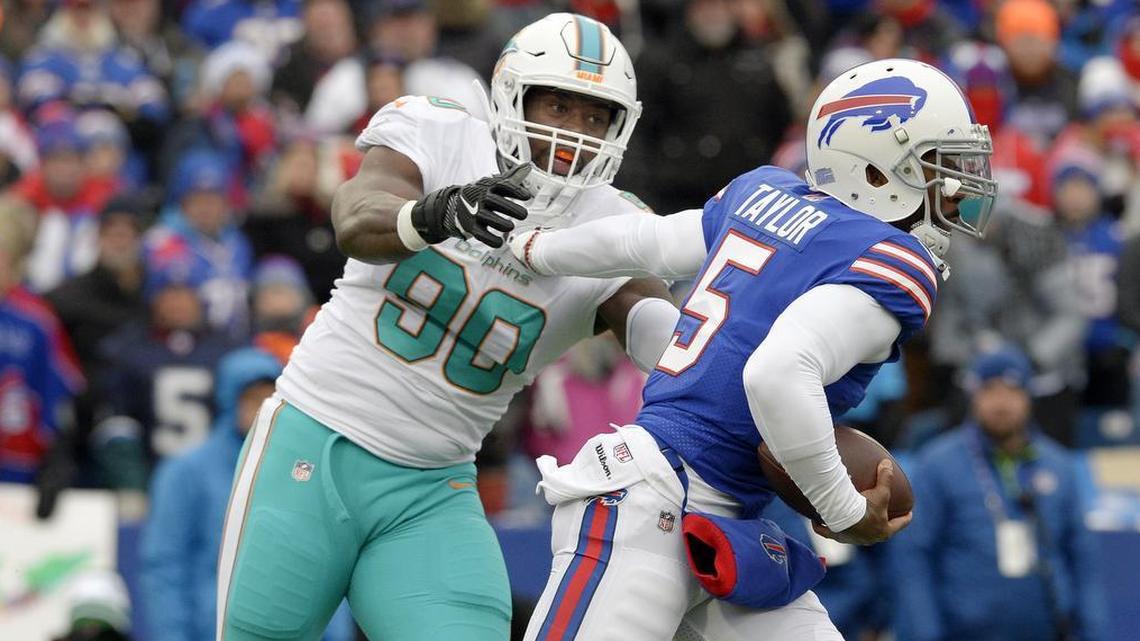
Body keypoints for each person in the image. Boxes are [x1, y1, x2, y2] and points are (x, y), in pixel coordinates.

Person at [216, 13, 678, 641]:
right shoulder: (439, 132)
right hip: (316, 442)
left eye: (595, 116)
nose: (574, 133)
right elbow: (356, 215)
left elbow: (670, 341)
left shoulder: (612, 227)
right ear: (513, 95)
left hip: (432, 488)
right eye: (558, 107)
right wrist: (438, 213)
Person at [508, 57, 996, 640]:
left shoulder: (766, 194)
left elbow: (646, 240)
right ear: (875, 173)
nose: (957, 185)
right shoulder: (893, 262)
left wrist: (538, 248)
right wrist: (843, 510)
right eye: (938, 165)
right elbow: (777, 373)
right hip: (652, 500)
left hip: (730, 524)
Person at [891, 347, 1107, 641]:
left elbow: (1083, 557)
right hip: (964, 631)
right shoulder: (938, 464)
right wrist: (923, 633)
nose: (1001, 402)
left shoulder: (1058, 465)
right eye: (990, 390)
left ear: (1029, 397)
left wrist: (1092, 630)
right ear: (973, 397)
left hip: (1047, 627)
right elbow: (913, 557)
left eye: (1012, 390)